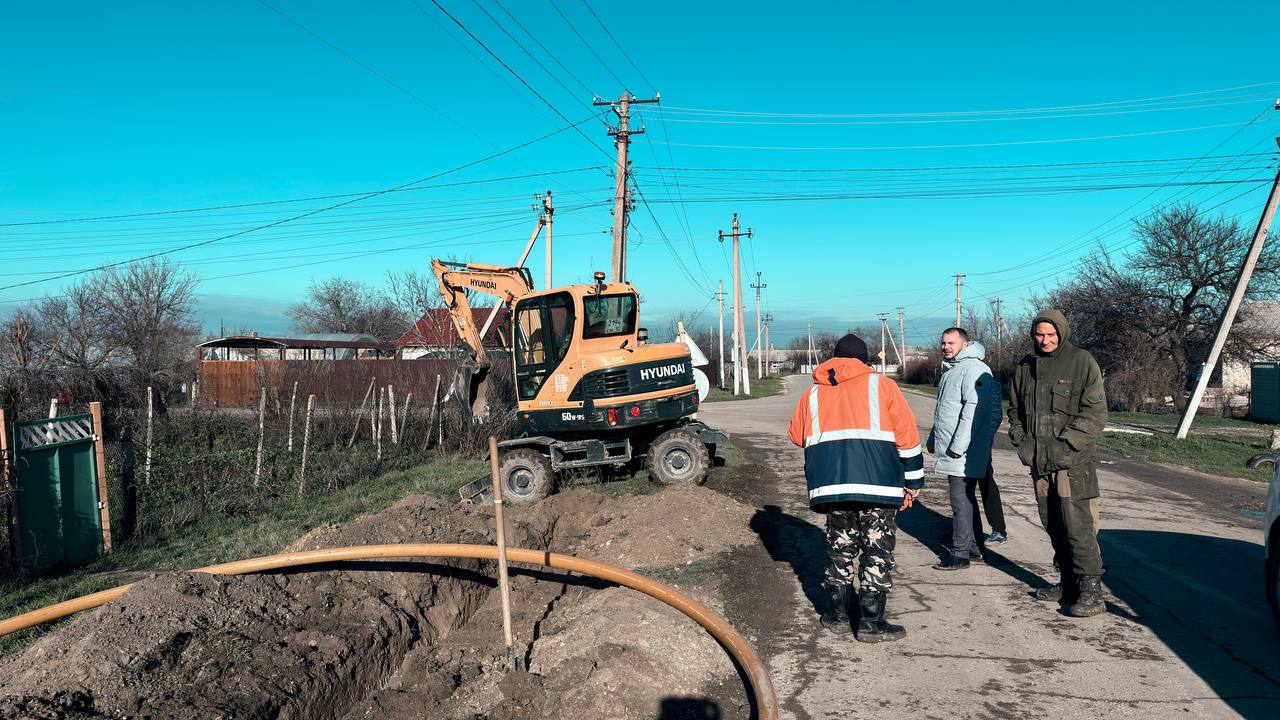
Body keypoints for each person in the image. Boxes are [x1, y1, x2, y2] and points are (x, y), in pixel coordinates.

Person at [788, 333, 925, 642]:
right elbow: (907, 437)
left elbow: (797, 435)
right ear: (865, 361)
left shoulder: (812, 394)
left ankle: (836, 615)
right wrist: (914, 482)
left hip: (832, 487)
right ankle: (871, 623)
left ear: (833, 360)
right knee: (876, 551)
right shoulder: (882, 386)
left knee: (840, 547)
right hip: (878, 485)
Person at [1007, 310, 1108, 617]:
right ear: (1033, 335)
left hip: (1072, 463)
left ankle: (1092, 591)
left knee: (1078, 525)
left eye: (1051, 334)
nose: (1046, 340)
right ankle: (1067, 583)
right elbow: (1014, 411)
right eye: (1040, 334)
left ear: (1062, 333)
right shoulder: (1025, 367)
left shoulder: (1081, 361)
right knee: (1052, 523)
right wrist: (1023, 443)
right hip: (1039, 461)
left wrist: (1067, 447)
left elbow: (1094, 413)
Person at [927, 328, 1005, 570]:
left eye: (951, 342)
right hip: (954, 448)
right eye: (943, 343)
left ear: (965, 343)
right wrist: (933, 438)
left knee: (960, 501)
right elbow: (946, 412)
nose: (946, 346)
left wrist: (959, 447)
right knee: (965, 499)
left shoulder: (973, 369)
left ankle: (960, 554)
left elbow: (973, 412)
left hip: (962, 451)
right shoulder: (954, 369)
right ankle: (974, 548)